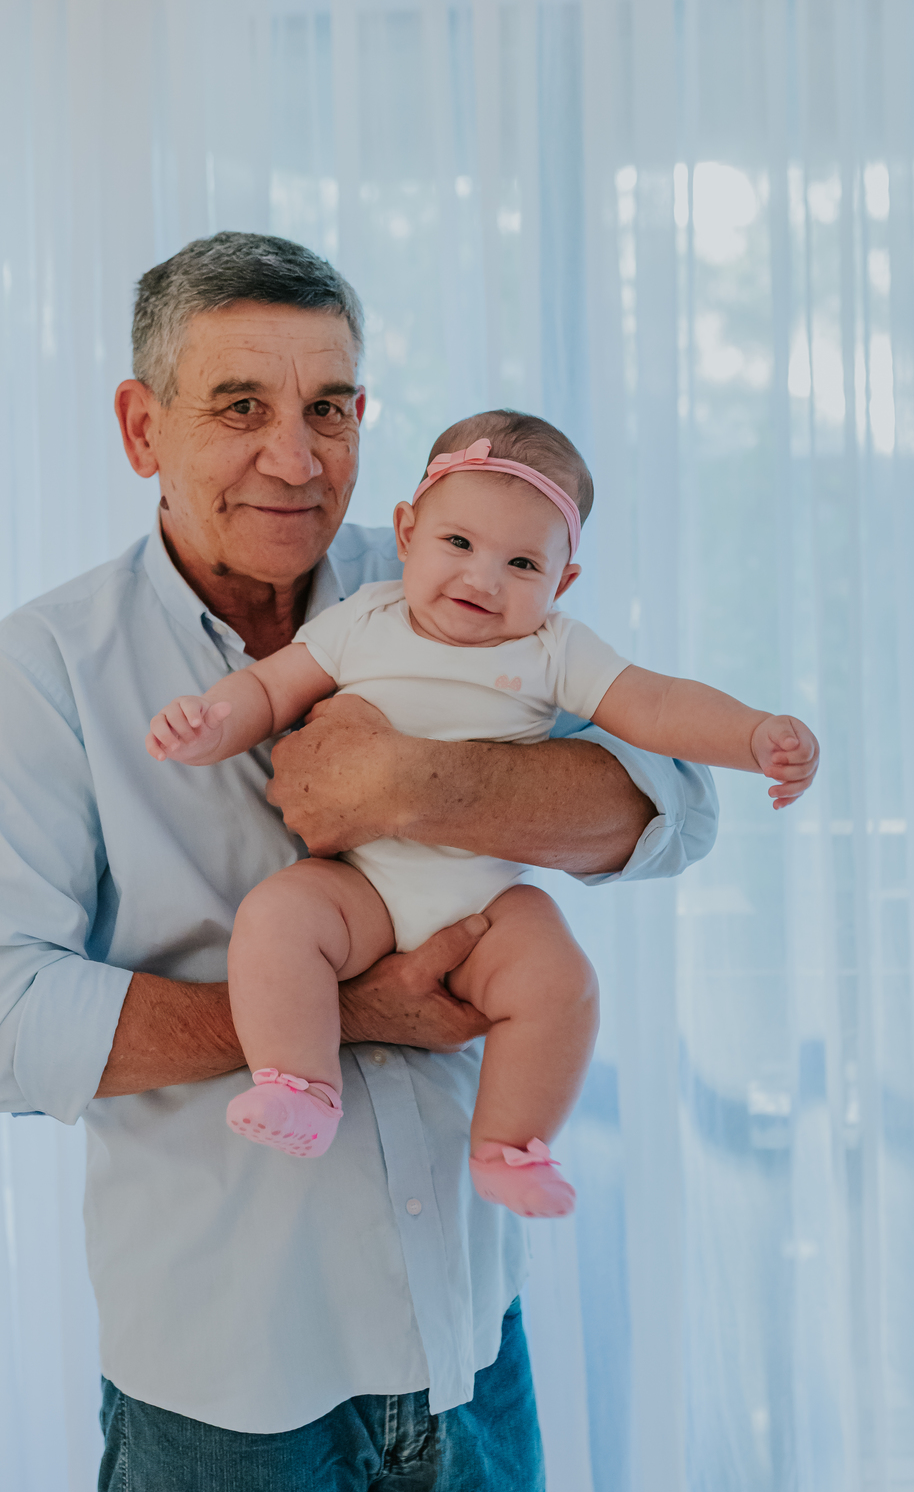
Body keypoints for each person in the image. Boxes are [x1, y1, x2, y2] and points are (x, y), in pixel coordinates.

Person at [0, 232, 719, 1492]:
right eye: (241, 407)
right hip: (229, 1386)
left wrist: (416, 780)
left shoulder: (453, 571)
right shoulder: (47, 666)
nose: (297, 457)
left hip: (468, 1351)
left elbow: (675, 807)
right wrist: (354, 1015)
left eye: (331, 408)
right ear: (141, 426)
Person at [148, 410, 818, 1222]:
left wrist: (754, 735)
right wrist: (209, 724)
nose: (483, 579)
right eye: (458, 544)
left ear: (563, 582)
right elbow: (268, 688)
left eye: (523, 562)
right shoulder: (366, 617)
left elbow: (657, 704)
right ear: (408, 532)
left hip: (486, 901)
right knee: (279, 919)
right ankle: (300, 1086)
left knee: (560, 983)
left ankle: (508, 1146)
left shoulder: (553, 650)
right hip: (361, 887)